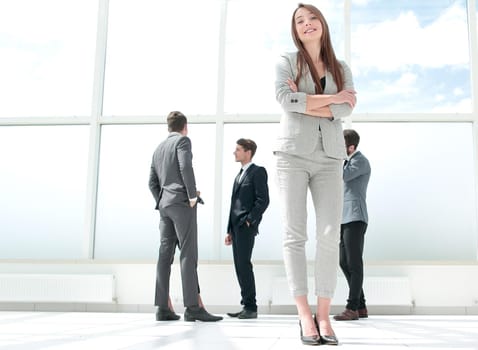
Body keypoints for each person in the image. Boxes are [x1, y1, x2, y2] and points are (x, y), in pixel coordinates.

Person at [274, 3, 356, 346]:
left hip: (330, 156)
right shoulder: (286, 61)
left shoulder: (341, 66)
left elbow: (347, 107)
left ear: (323, 24)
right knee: (295, 234)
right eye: (300, 21)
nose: (307, 24)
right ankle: (304, 314)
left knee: (328, 234)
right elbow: (284, 99)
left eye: (312, 18)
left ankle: (324, 314)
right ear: (296, 30)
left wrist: (308, 99)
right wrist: (331, 98)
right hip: (292, 153)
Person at [149, 111, 222, 322]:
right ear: (185, 126)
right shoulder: (183, 141)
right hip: (182, 204)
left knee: (164, 256)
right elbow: (185, 166)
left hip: (165, 207)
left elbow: (151, 182)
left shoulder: (158, 149)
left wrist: (162, 200)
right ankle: (192, 308)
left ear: (168, 127)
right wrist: (191, 196)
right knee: (188, 254)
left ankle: (162, 308)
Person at [225, 139, 270, 319]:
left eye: (238, 149)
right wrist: (229, 230)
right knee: (239, 266)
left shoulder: (257, 172)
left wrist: (250, 220)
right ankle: (246, 305)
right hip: (236, 228)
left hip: (245, 226)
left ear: (248, 152)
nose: (234, 153)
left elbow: (263, 200)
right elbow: (233, 204)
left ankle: (251, 307)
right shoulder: (239, 175)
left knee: (244, 265)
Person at [334, 129, 370, 321]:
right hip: (344, 218)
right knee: (343, 261)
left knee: (355, 263)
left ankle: (352, 307)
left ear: (351, 147)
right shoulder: (348, 161)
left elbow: (343, 176)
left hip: (355, 217)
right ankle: (361, 305)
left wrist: (336, 159)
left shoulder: (360, 161)